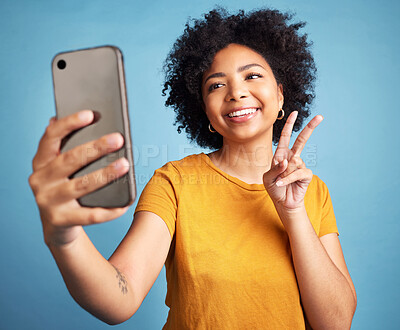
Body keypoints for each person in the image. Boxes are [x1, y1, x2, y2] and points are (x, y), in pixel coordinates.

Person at [29, 8, 357, 329]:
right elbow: (119, 300)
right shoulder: (175, 182)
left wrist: (293, 212)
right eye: (216, 85)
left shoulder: (311, 191)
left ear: (281, 93)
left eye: (252, 75)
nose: (237, 92)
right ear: (204, 110)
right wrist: (64, 237)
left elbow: (336, 323)